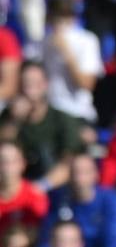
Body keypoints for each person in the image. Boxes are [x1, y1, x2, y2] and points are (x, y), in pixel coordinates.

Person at [39, 152, 116, 247]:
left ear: (96, 174)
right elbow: (47, 238)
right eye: (75, 172)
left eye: (85, 172)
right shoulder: (60, 199)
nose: (79, 178)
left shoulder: (110, 200)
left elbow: (114, 243)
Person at [1, 61, 84, 191]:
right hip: (14, 187)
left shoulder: (62, 119)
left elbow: (69, 162)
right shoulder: (9, 117)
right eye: (26, 83)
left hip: (53, 187)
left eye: (35, 83)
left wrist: (40, 187)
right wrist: (14, 121)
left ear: (45, 84)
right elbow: (3, 149)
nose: (30, 89)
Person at [39, 0, 105, 125]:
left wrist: (67, 53)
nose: (59, 23)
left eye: (65, 17)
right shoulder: (43, 42)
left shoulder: (87, 40)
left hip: (77, 113)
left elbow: (86, 84)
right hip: (48, 113)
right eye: (55, 17)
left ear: (73, 18)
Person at [0, 141, 48, 234]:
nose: (7, 167)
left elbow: (38, 234)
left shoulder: (35, 196)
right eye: (2, 162)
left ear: (23, 164)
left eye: (12, 161)